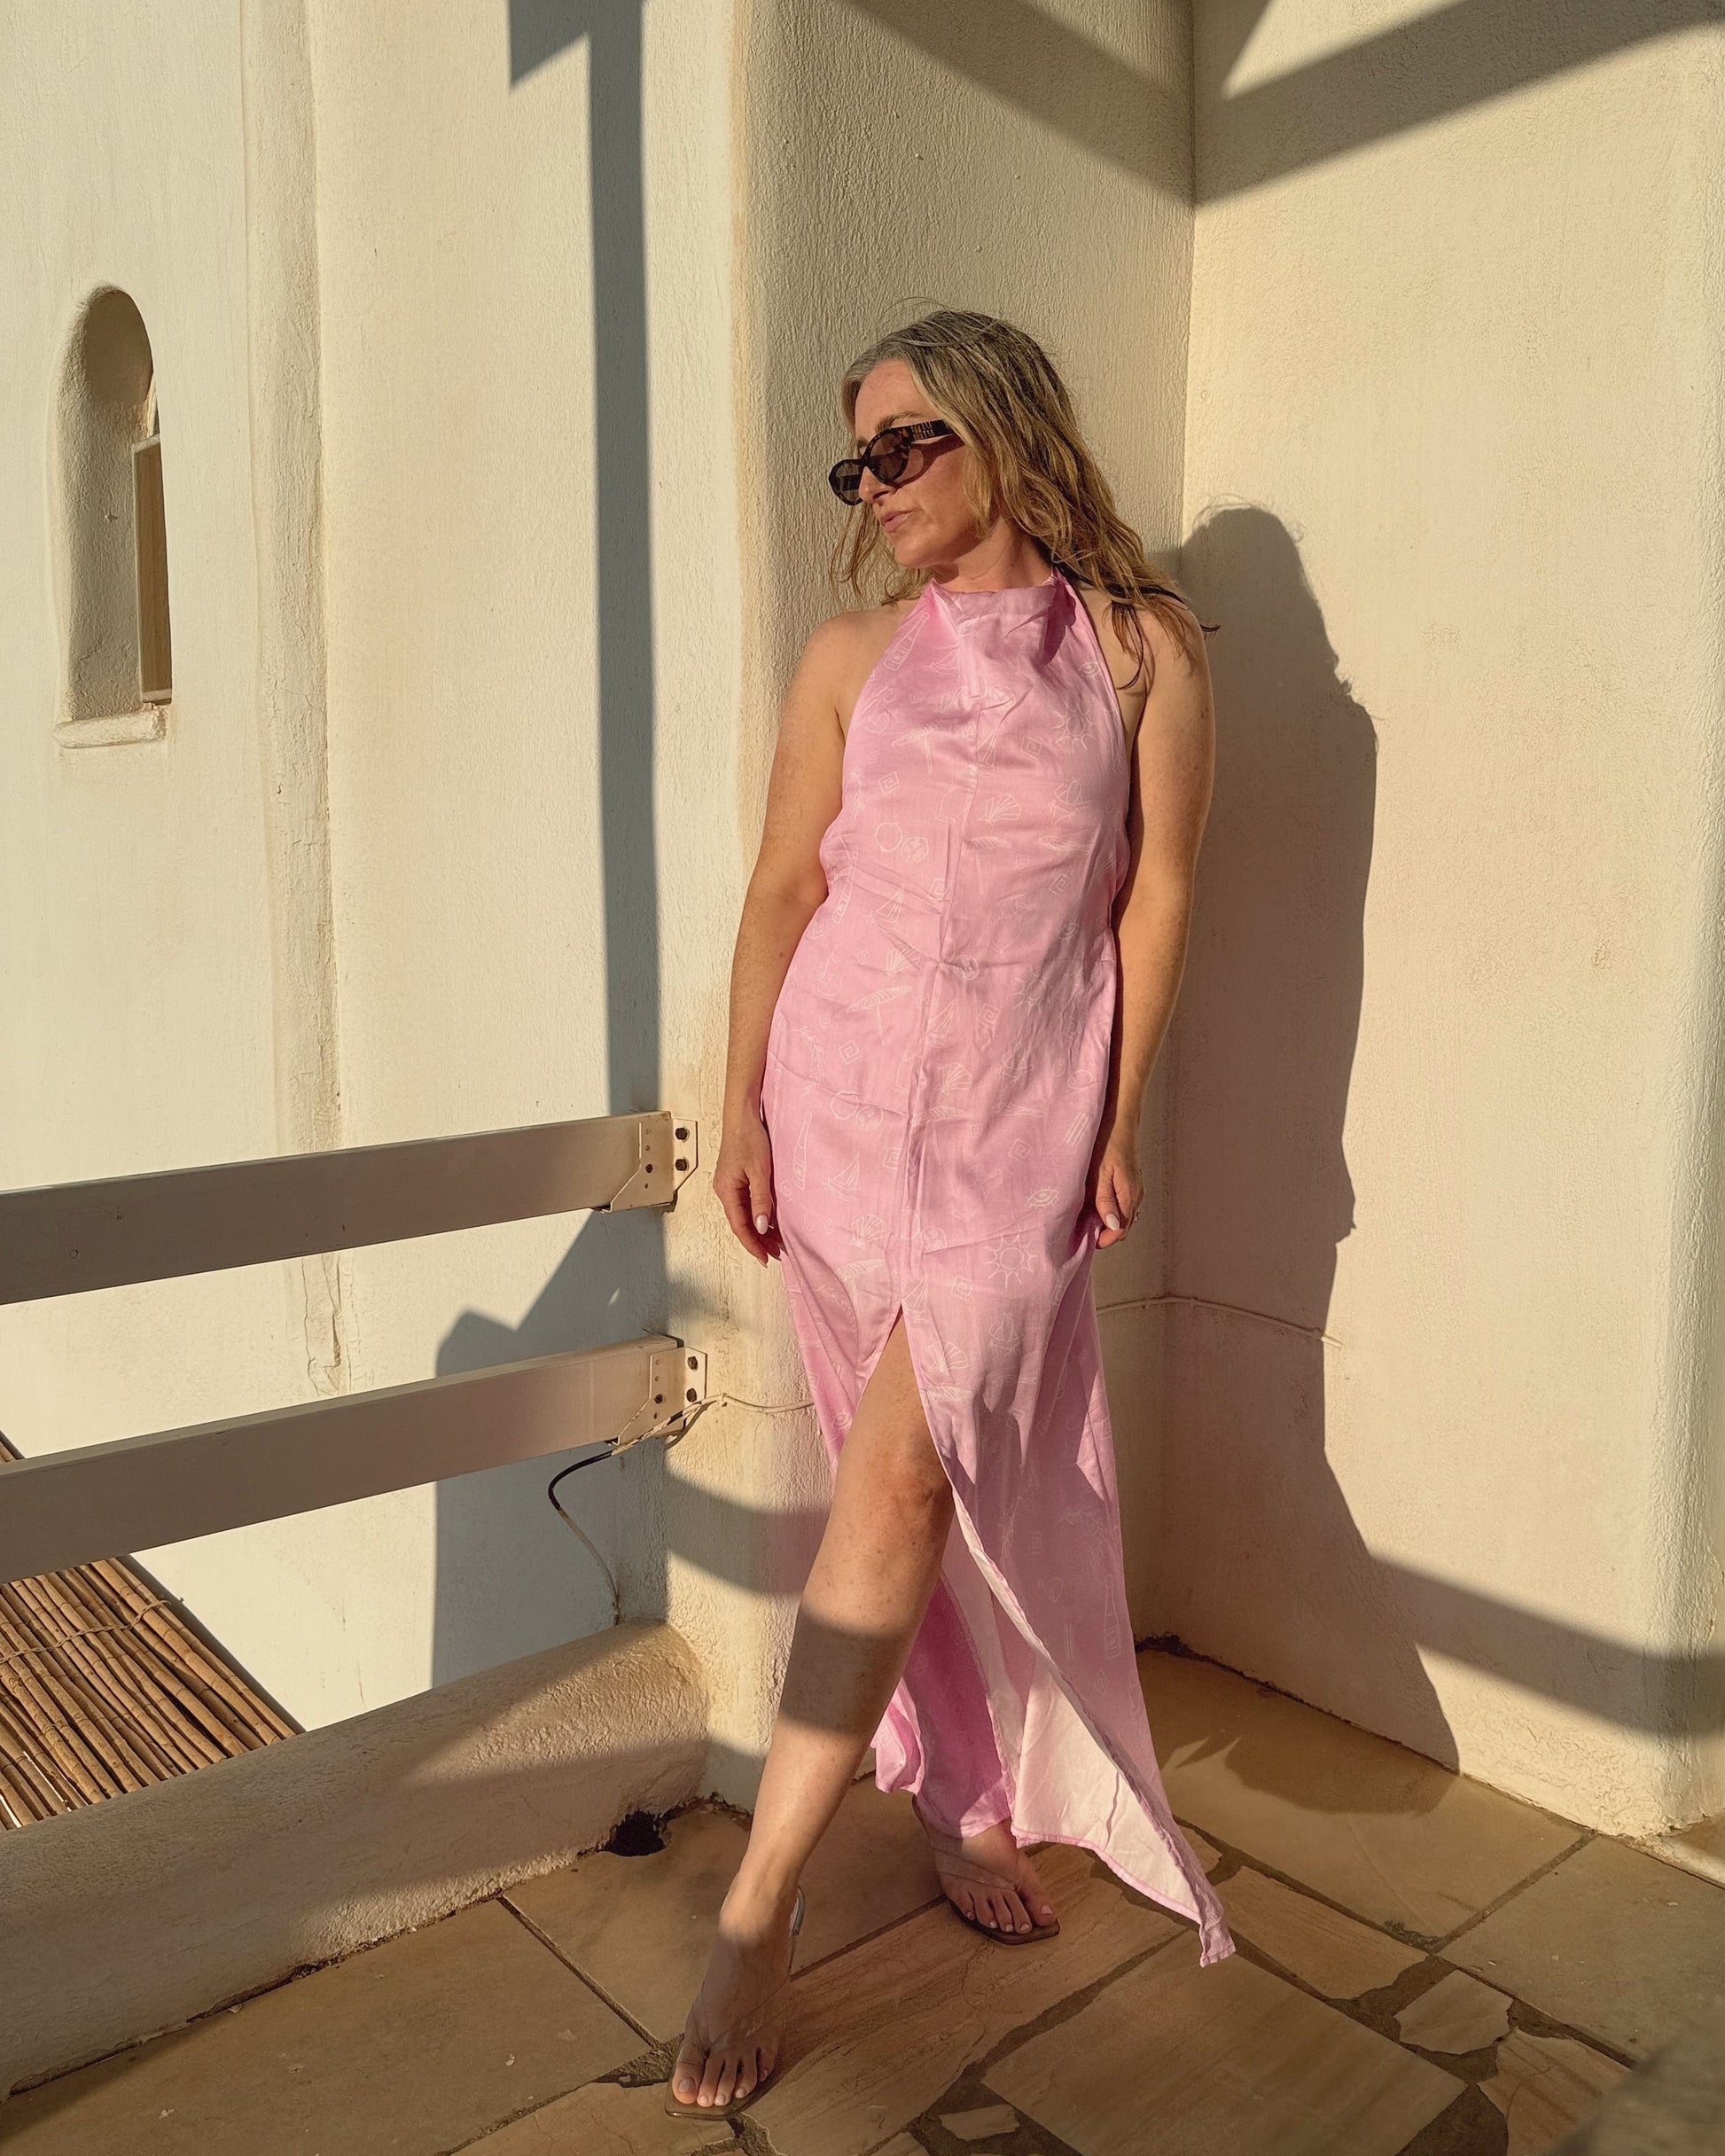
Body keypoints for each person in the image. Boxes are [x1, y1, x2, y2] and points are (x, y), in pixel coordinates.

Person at [667, 308, 1233, 2121]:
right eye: (858, 459)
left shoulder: (1143, 658)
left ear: (1003, 430)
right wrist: (738, 1100)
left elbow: (1152, 909)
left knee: (916, 1476)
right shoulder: (850, 657)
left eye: (906, 442)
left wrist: (1119, 1116)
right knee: (888, 1482)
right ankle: (950, 1789)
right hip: (834, 1111)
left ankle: (757, 1905)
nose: (876, 484)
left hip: (1012, 1125)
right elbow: (778, 885)